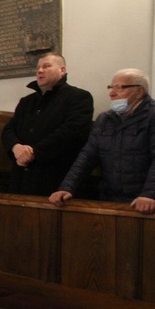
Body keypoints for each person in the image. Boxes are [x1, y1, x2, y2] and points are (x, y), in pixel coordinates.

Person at [49, 69, 155, 215]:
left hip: (143, 203)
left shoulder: (152, 117)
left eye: (119, 88)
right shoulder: (105, 120)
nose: (111, 93)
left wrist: (149, 194)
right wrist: (67, 187)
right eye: (111, 87)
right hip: (109, 199)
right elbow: (87, 156)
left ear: (139, 92)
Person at [2, 52, 94, 196]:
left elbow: (71, 132)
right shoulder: (26, 102)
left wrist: (34, 153)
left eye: (46, 66)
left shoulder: (79, 97)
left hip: (54, 177)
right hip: (21, 178)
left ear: (62, 70)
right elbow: (9, 129)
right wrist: (16, 147)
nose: (39, 71)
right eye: (38, 67)